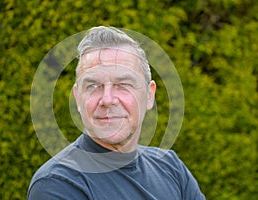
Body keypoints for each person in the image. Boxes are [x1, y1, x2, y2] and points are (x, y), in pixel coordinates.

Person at [27, 26, 205, 200]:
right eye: (93, 86)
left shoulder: (171, 168)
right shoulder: (58, 184)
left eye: (123, 85)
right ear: (77, 98)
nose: (107, 99)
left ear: (149, 95)